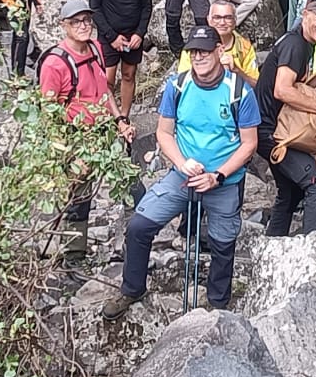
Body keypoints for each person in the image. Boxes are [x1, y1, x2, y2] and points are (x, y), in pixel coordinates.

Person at [103, 25, 261, 318]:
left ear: (219, 51)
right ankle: (132, 287)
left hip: (224, 181)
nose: (199, 56)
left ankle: (218, 305)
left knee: (223, 242)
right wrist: (180, 163)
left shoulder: (239, 91)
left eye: (205, 51)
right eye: (194, 51)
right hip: (182, 175)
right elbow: (164, 133)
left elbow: (249, 143)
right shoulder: (177, 86)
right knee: (139, 226)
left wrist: (218, 176)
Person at [43, 0, 138, 261]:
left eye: (87, 20)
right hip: (76, 138)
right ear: (64, 25)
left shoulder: (96, 48)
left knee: (132, 185)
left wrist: (120, 120)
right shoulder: (54, 64)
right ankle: (74, 258)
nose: (84, 26)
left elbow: (104, 89)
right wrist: (67, 153)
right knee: (79, 201)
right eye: (76, 22)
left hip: (104, 130)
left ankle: (135, 245)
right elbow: (48, 112)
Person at [255, 0, 316, 237]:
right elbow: (282, 90)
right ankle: (312, 249)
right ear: (305, 15)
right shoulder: (295, 44)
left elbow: (299, 85)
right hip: (270, 132)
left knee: (291, 192)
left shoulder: (303, 43)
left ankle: (273, 247)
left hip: (270, 129)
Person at [89, 0, 153, 117]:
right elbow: (94, 8)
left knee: (128, 75)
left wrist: (140, 33)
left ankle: (125, 116)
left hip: (133, 36)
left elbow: (146, 6)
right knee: (107, 80)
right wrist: (112, 37)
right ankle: (110, 118)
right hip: (109, 36)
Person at [175, 0, 259, 84]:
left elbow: (256, 85)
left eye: (228, 18)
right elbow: (181, 82)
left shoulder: (245, 47)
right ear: (208, 19)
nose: (222, 22)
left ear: (235, 20)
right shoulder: (194, 45)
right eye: (217, 18)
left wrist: (236, 70)